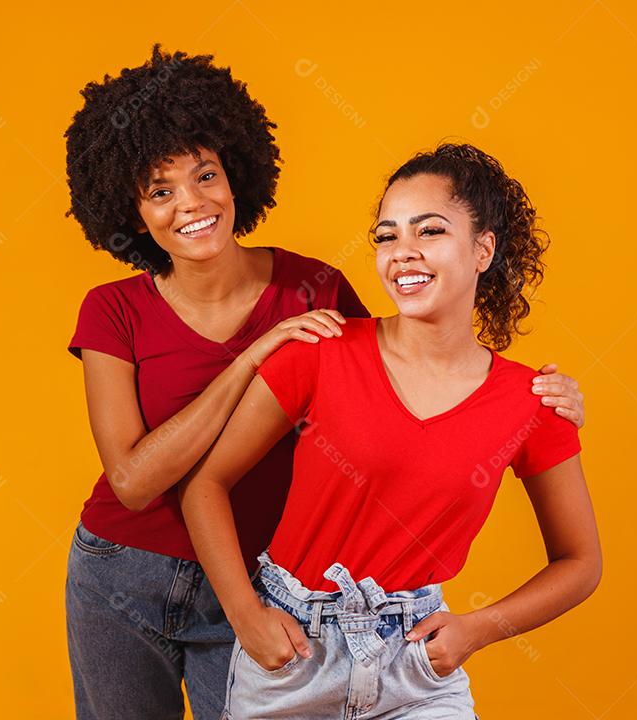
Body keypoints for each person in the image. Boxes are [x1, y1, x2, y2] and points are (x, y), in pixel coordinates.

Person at [64, 45, 587, 719]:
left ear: (235, 175)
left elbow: (404, 376)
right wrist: (251, 360)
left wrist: (537, 403)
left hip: (260, 580)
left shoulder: (313, 288)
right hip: (121, 574)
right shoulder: (113, 310)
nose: (190, 204)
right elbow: (134, 482)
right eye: (160, 191)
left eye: (205, 176)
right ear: (132, 211)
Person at [178, 143, 602, 719]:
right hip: (292, 660)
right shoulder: (321, 352)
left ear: (483, 249)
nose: (403, 253)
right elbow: (206, 485)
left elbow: (580, 562)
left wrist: (476, 630)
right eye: (386, 236)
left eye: (429, 232)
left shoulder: (532, 402)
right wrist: (245, 616)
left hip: (416, 666)